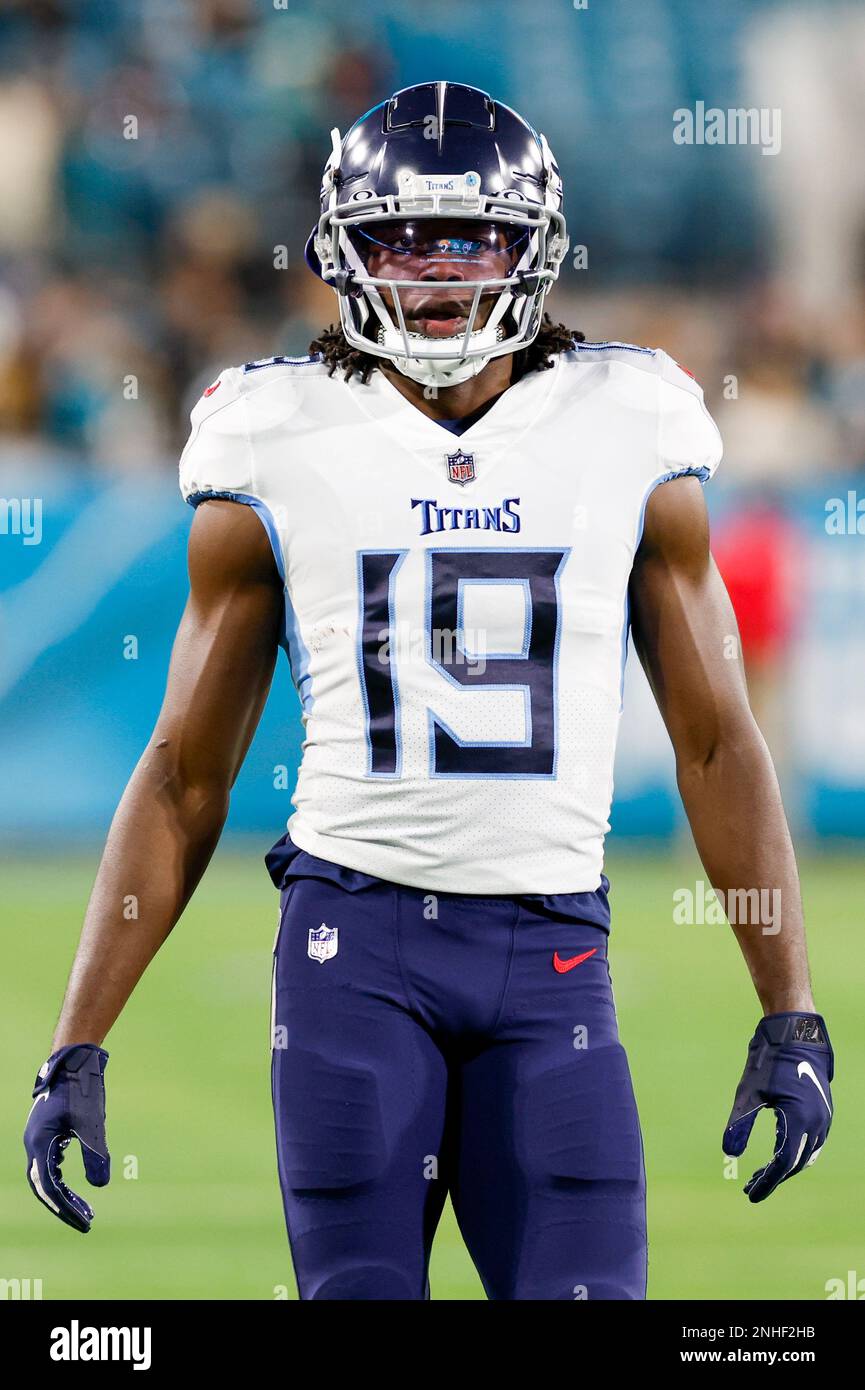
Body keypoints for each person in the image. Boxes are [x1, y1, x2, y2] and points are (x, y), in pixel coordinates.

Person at [24, 81, 834, 1301]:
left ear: (537, 250)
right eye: (405, 236)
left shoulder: (627, 425)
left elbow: (717, 743)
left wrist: (792, 1011)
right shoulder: (274, 436)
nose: (441, 271)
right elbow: (186, 776)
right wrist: (73, 1041)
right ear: (344, 253)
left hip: (555, 949)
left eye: (476, 238)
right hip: (354, 952)